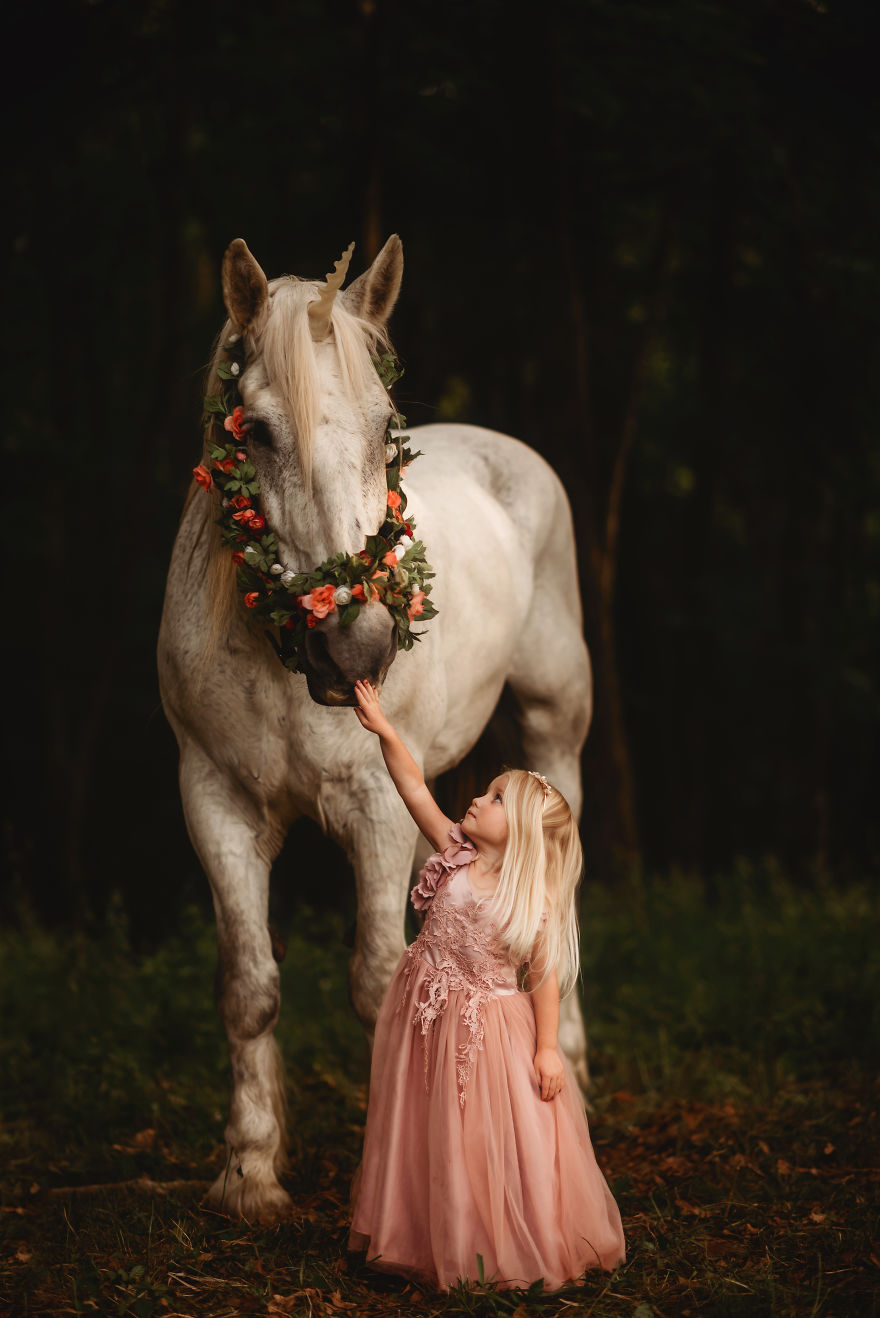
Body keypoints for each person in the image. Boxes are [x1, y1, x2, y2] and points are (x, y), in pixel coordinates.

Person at [347, 679, 625, 1291]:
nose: (478, 797)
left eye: (496, 797)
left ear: (520, 828)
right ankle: (423, 1229)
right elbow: (413, 786)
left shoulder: (529, 898)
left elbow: (544, 975)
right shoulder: (455, 852)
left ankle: (488, 1242)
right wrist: (387, 729)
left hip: (486, 1032)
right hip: (426, 1014)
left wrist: (547, 1045)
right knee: (424, 1123)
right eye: (487, 790)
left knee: (481, 1133)